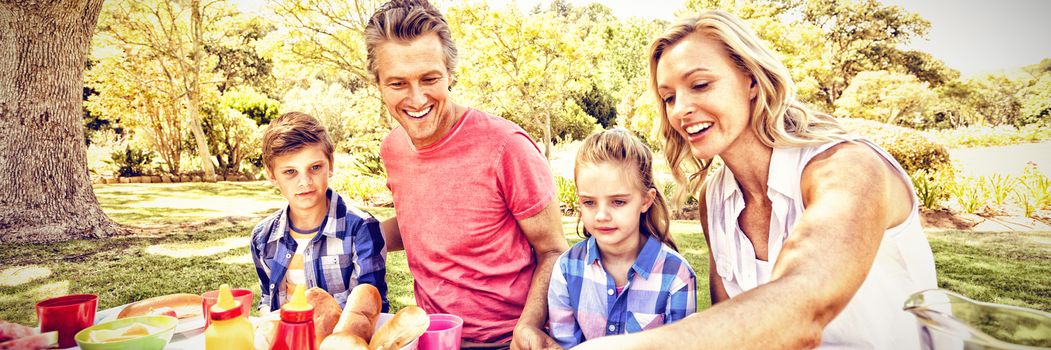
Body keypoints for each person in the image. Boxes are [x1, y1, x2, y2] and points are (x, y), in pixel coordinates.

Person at [575, 10, 937, 349]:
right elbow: (734, 326)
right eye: (669, 97)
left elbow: (803, 307)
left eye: (700, 84)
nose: (679, 110)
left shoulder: (848, 168)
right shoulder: (715, 198)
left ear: (750, 79)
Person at [364, 1, 569, 348]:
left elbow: (553, 250)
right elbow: (426, 220)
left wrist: (527, 327)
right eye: (398, 83)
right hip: (432, 336)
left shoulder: (507, 147)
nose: (416, 99)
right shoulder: (393, 149)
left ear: (450, 73)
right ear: (379, 84)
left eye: (429, 79)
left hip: (508, 342)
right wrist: (351, 237)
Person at [547, 129, 697, 348]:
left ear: (646, 200)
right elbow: (565, 344)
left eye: (618, 202)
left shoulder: (676, 275)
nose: (601, 216)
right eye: (589, 202)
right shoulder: (567, 269)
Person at [250, 112, 389, 313]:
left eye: (315, 167)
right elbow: (267, 299)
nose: (304, 182)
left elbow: (371, 308)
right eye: (290, 172)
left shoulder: (362, 229)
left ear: (330, 165)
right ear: (272, 174)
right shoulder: (263, 237)